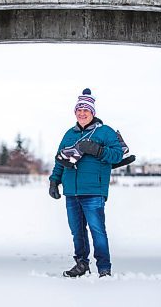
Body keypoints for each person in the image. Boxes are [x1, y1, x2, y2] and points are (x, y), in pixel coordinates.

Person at [49, 88, 123, 278]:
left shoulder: (105, 132)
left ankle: (104, 268)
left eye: (86, 111)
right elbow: (60, 159)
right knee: (77, 232)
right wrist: (54, 180)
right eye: (79, 110)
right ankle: (81, 264)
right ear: (75, 112)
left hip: (93, 190)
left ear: (92, 112)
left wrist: (98, 151)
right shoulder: (69, 134)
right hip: (71, 191)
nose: (82, 114)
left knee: (98, 230)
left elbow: (117, 155)